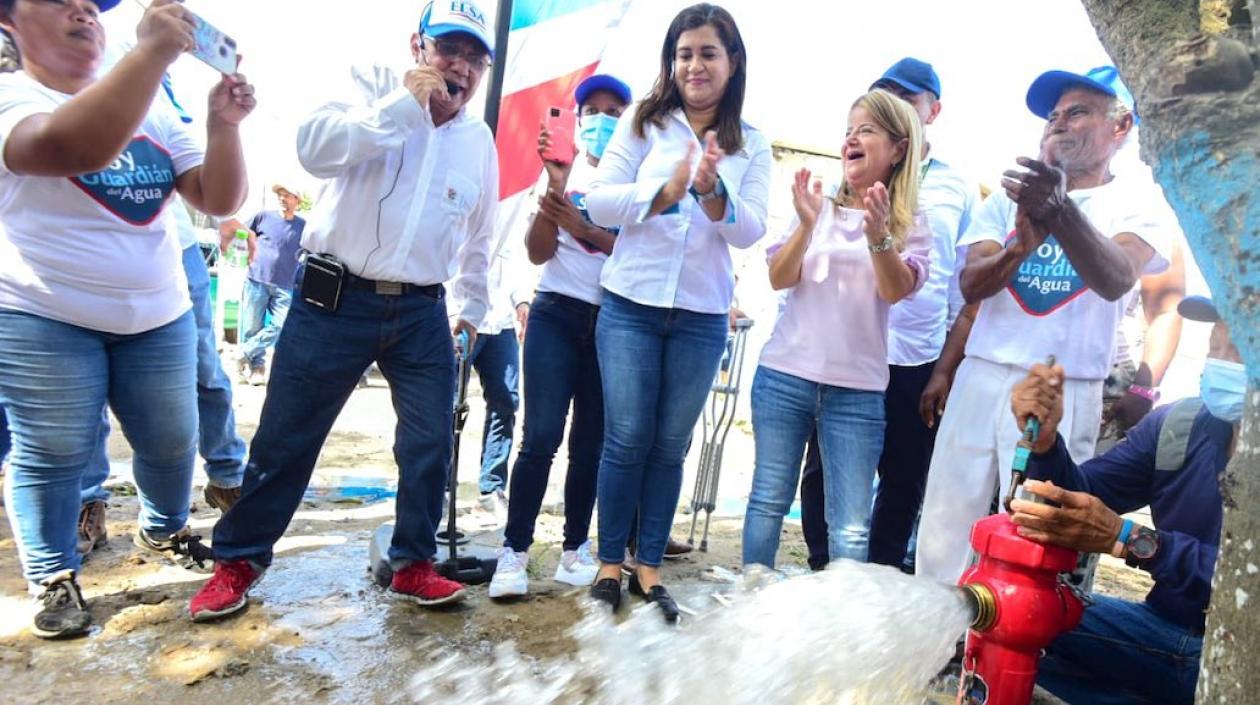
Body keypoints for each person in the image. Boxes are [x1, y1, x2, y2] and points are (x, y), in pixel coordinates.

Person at [189, 0, 497, 621]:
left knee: (430, 442)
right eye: (448, 49)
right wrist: (402, 107)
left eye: (474, 58)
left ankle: (412, 562)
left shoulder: (478, 140)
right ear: (418, 47)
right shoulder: (369, 87)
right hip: (332, 300)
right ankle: (238, 560)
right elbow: (315, 151)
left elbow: (480, 236)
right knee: (286, 438)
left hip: (422, 312)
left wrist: (471, 308)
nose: (460, 67)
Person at [0, 0, 254, 639]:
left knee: (172, 441)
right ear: (9, 20)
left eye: (92, 5)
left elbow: (216, 196)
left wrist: (223, 127)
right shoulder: (12, 98)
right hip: (42, 313)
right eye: (60, 0)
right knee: (52, 451)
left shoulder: (155, 105)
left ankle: (162, 530)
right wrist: (152, 54)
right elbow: (69, 145)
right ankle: (53, 573)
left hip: (157, 313)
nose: (83, 12)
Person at [915, 65, 1175, 584]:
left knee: (1041, 527)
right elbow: (971, 285)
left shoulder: (1137, 204)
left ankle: (1025, 630)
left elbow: (1115, 278)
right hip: (984, 373)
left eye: (1077, 113)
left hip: (1064, 387)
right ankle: (938, 625)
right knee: (947, 517)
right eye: (1053, 116)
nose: (1058, 124)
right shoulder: (1004, 201)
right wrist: (1019, 249)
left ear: (1120, 125)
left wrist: (1059, 212)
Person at [585, 3, 771, 622]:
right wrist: (663, 192)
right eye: (684, 53)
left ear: (732, 61)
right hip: (630, 305)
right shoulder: (643, 122)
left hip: (700, 316)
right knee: (625, 439)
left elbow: (750, 230)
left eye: (708, 53)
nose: (694, 65)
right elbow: (597, 202)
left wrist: (713, 191)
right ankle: (608, 563)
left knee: (669, 446)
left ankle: (649, 568)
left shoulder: (753, 144)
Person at [796, 58, 979, 571]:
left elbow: (962, 284)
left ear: (933, 111)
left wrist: (945, 367)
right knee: (825, 471)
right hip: (849, 352)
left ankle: (878, 580)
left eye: (907, 98)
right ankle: (822, 570)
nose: (893, 107)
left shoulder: (957, 188)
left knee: (903, 475)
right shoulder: (848, 179)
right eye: (884, 96)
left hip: (914, 357)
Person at [1007, 295, 1235, 705]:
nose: (1217, 360)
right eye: (1214, 345)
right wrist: (1046, 446)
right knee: (1009, 611)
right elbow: (1080, 496)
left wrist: (1131, 540)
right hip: (1163, 630)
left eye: (1236, 349)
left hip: (1242, 656)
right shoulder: (1180, 425)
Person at [742, 89, 930, 569]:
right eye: (849, 130)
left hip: (858, 393)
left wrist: (879, 236)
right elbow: (779, 277)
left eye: (866, 130)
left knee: (849, 526)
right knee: (768, 500)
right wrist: (807, 225)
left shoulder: (911, 221)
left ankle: (841, 615)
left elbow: (894, 290)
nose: (852, 139)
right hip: (785, 376)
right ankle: (750, 600)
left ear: (899, 148)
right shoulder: (815, 206)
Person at [488, 73, 630, 599]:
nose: (602, 121)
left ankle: (574, 551)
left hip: (612, 322)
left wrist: (585, 228)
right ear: (577, 118)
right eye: (592, 111)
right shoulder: (560, 172)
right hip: (555, 314)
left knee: (590, 444)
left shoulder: (637, 181)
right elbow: (536, 252)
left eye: (614, 112)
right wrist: (555, 188)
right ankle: (514, 552)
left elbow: (639, 254)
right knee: (541, 436)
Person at [459, 233, 530, 520]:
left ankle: (492, 489)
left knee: (506, 401)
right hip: (459, 316)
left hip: (501, 321)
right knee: (447, 405)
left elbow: (517, 261)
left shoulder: (515, 213)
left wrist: (522, 300)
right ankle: (439, 488)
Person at [236, 183, 306, 385]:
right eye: (280, 195)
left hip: (286, 284)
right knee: (252, 327)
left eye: (288, 195)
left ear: (297, 201)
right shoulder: (262, 217)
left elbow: (310, 249)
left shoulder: (303, 226)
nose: (283, 199)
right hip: (257, 279)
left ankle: (244, 351)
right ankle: (255, 368)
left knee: (282, 325)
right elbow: (242, 234)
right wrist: (243, 252)